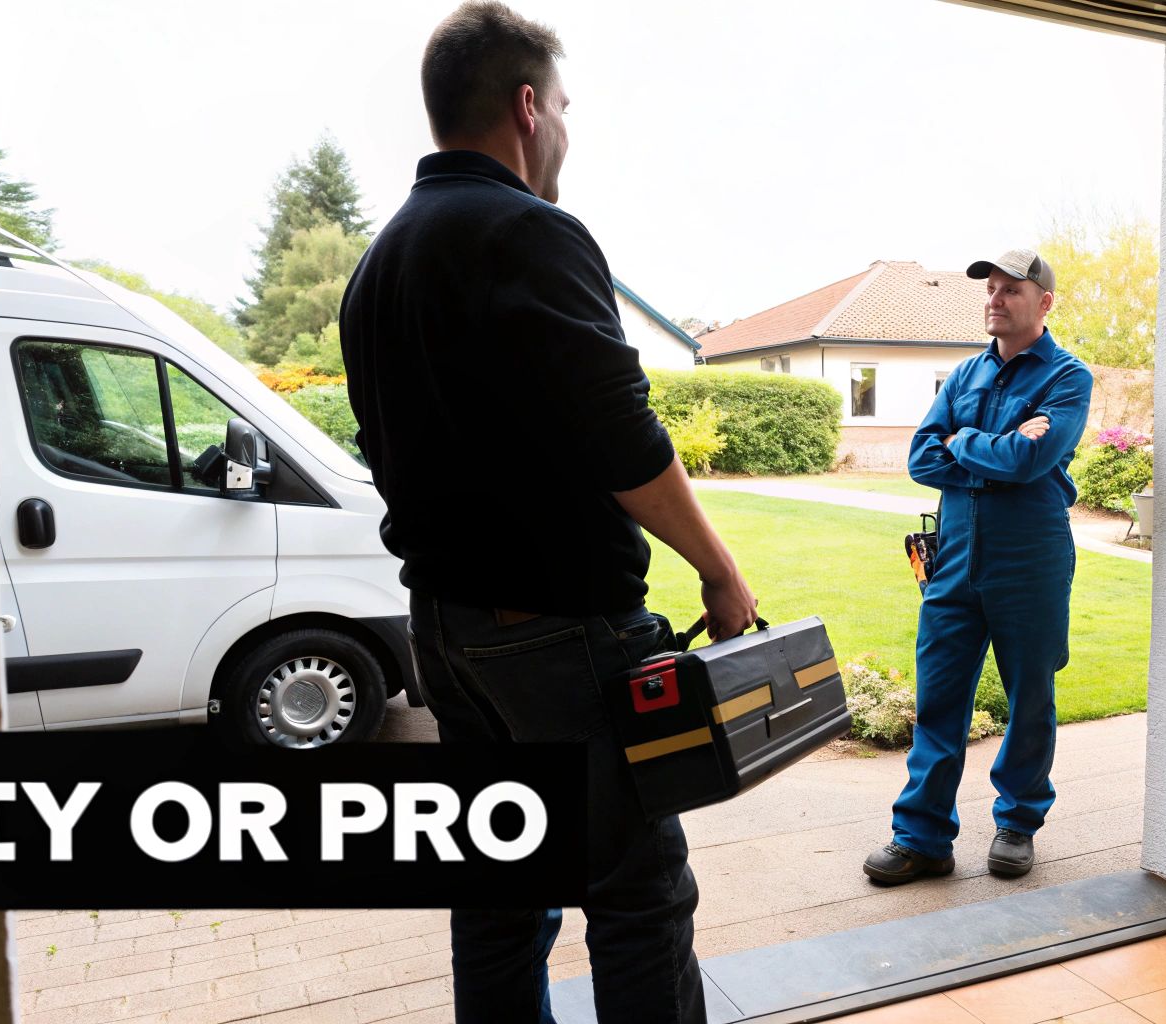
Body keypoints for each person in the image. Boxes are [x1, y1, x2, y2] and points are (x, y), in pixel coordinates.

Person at [338, 4, 756, 1020]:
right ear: (528, 107)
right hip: (557, 632)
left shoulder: (378, 264)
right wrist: (716, 567)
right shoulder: (528, 231)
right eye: (562, 103)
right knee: (634, 892)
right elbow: (618, 430)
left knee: (498, 897)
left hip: (446, 633)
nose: (565, 124)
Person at [863, 247, 1092, 886]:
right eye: (990, 289)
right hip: (954, 558)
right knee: (938, 699)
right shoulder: (964, 374)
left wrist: (963, 442)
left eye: (1010, 290)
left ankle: (1018, 823)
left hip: (1031, 560)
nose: (995, 299)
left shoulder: (1068, 378)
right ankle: (923, 838)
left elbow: (1030, 464)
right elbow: (921, 458)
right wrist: (993, 445)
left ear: (1044, 302)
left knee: (1030, 698)